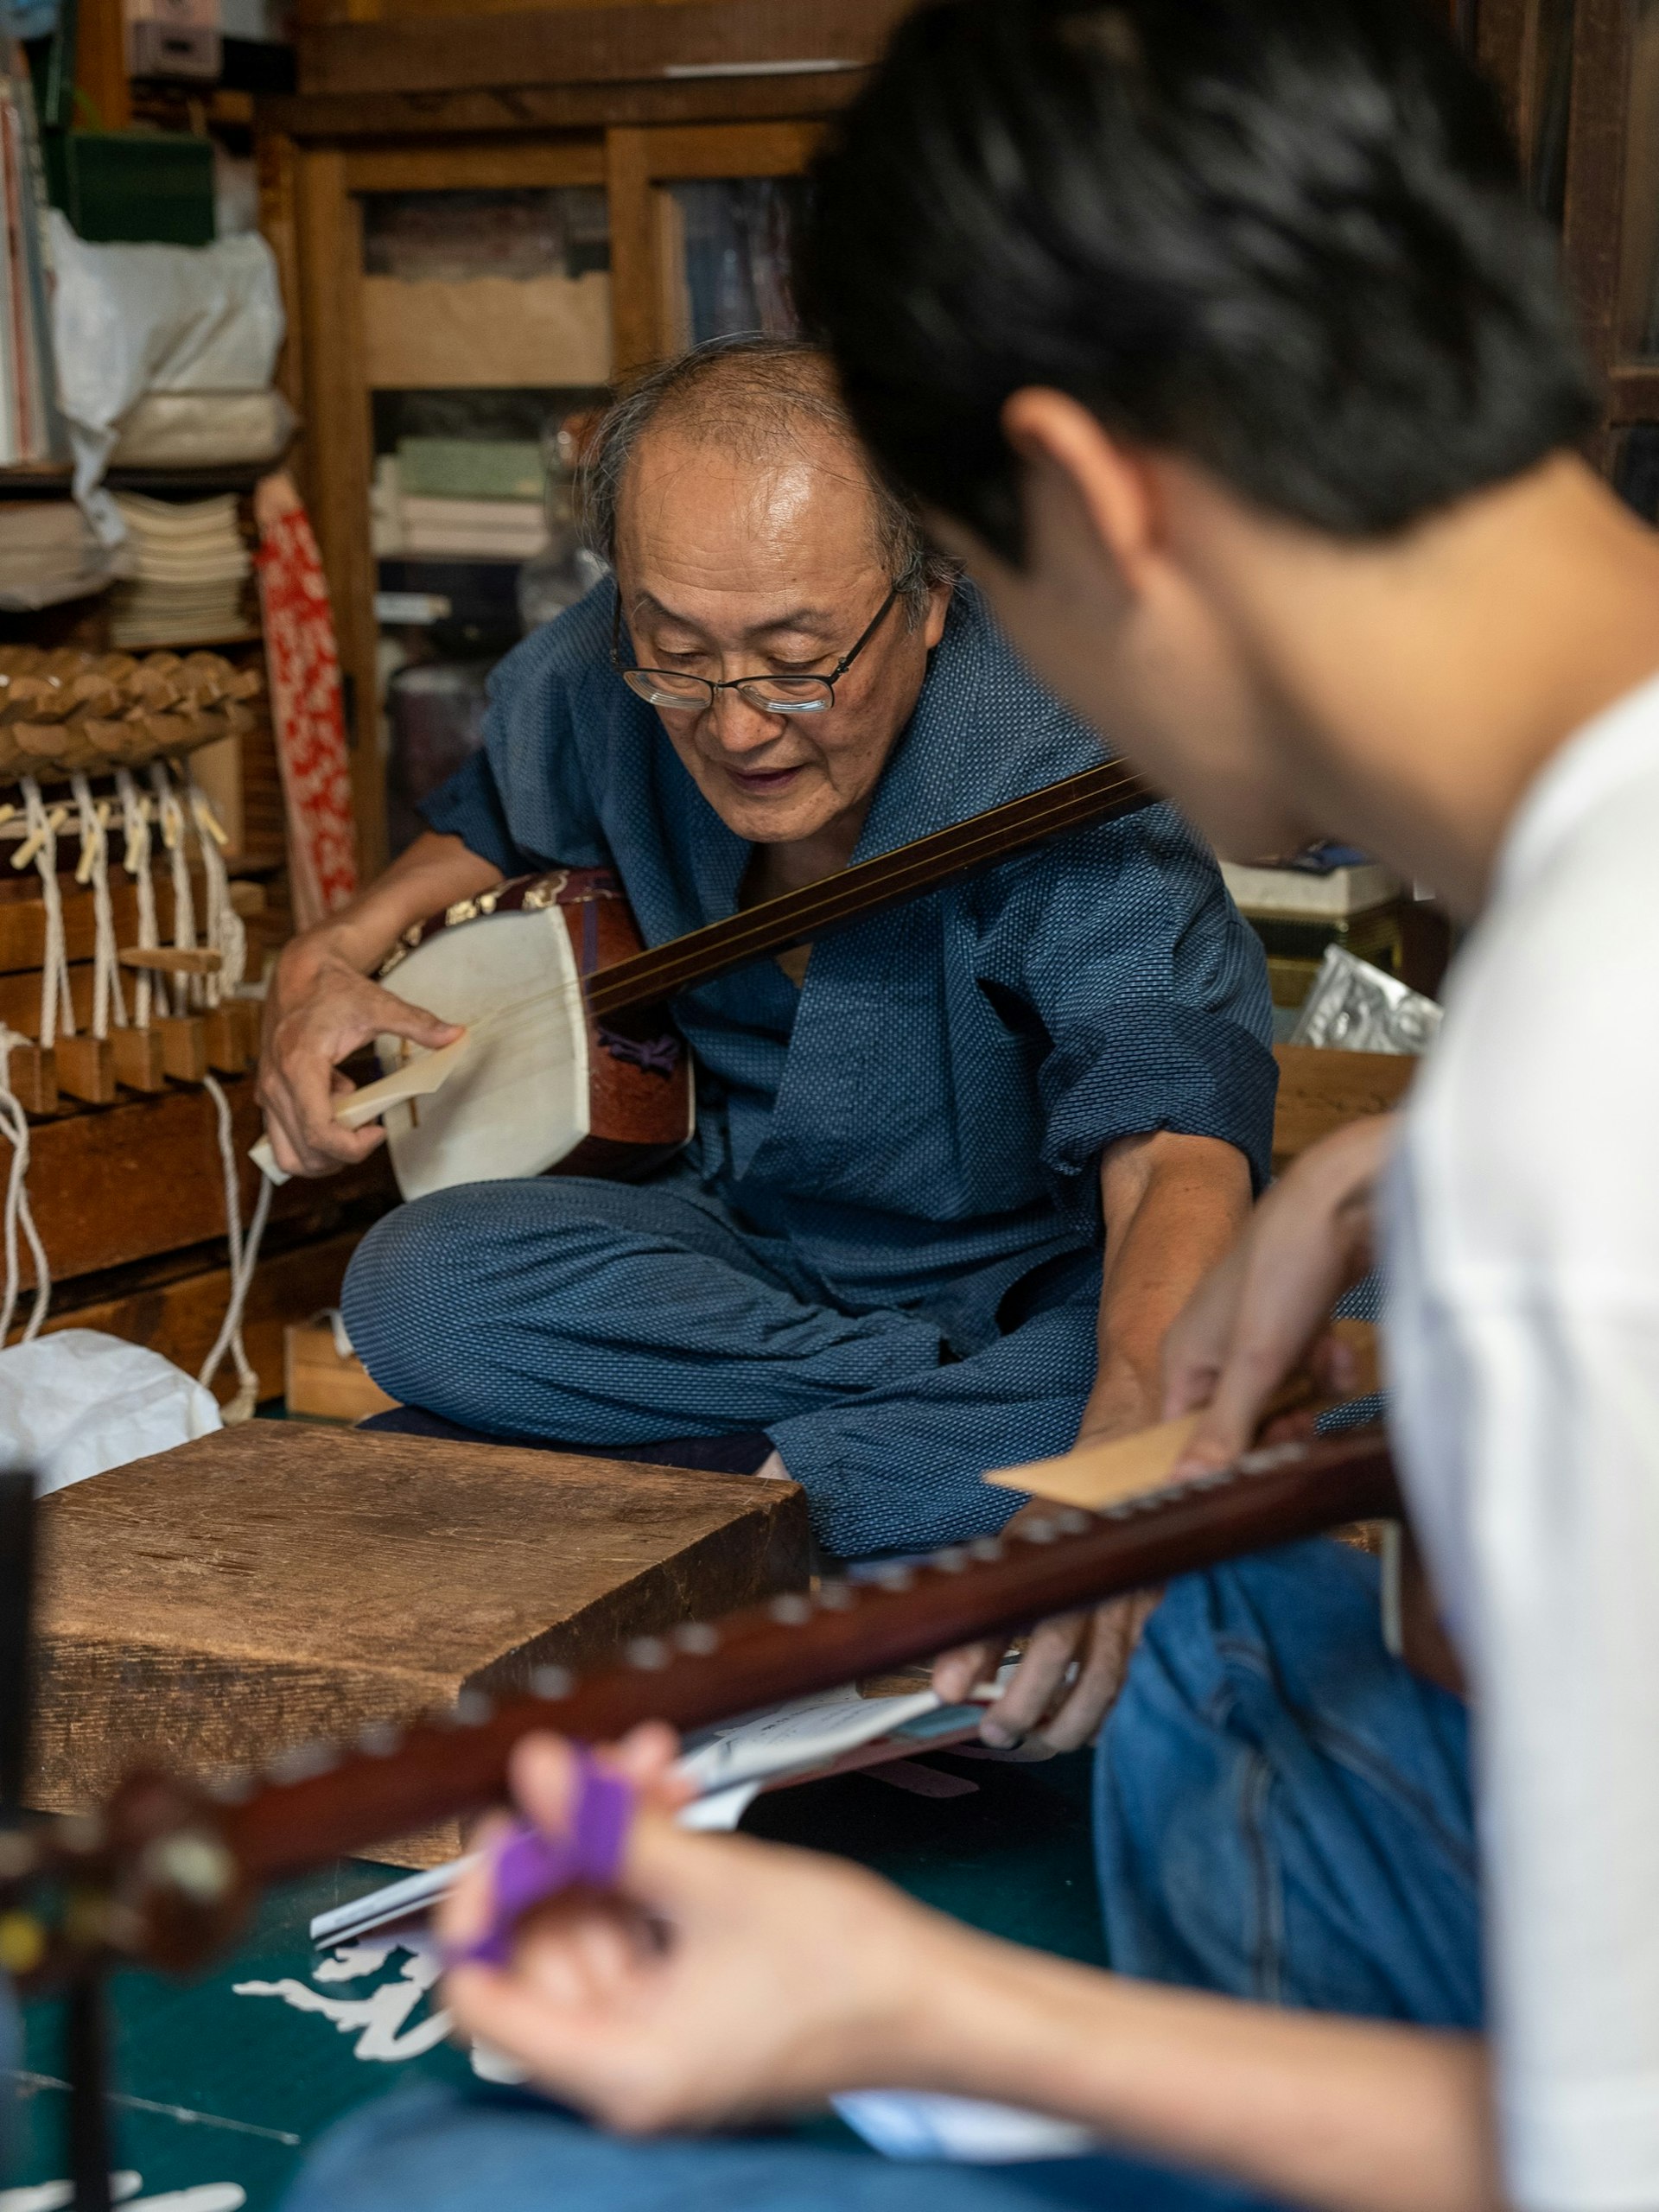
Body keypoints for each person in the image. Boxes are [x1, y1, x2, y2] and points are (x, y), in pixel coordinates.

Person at [283, 2, 1659, 2207]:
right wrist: (1402, 1171)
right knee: (1213, 1551)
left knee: (420, 2178)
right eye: (683, 651)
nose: (752, 711)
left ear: (1085, 511)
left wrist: (898, 2000)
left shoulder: (1583, 1109)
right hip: (856, 1301)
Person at [259, 339, 1274, 1749]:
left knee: (1324, 1355)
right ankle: (882, 1470)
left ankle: (754, 1482)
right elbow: (487, 817)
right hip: (750, 1269)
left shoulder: (1054, 748)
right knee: (420, 1288)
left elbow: (1174, 1150)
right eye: (681, 660)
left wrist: (1124, 1442)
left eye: (798, 667)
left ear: (930, 597)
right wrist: (327, 956)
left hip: (1044, 1293)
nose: (736, 726)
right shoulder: (598, 672)